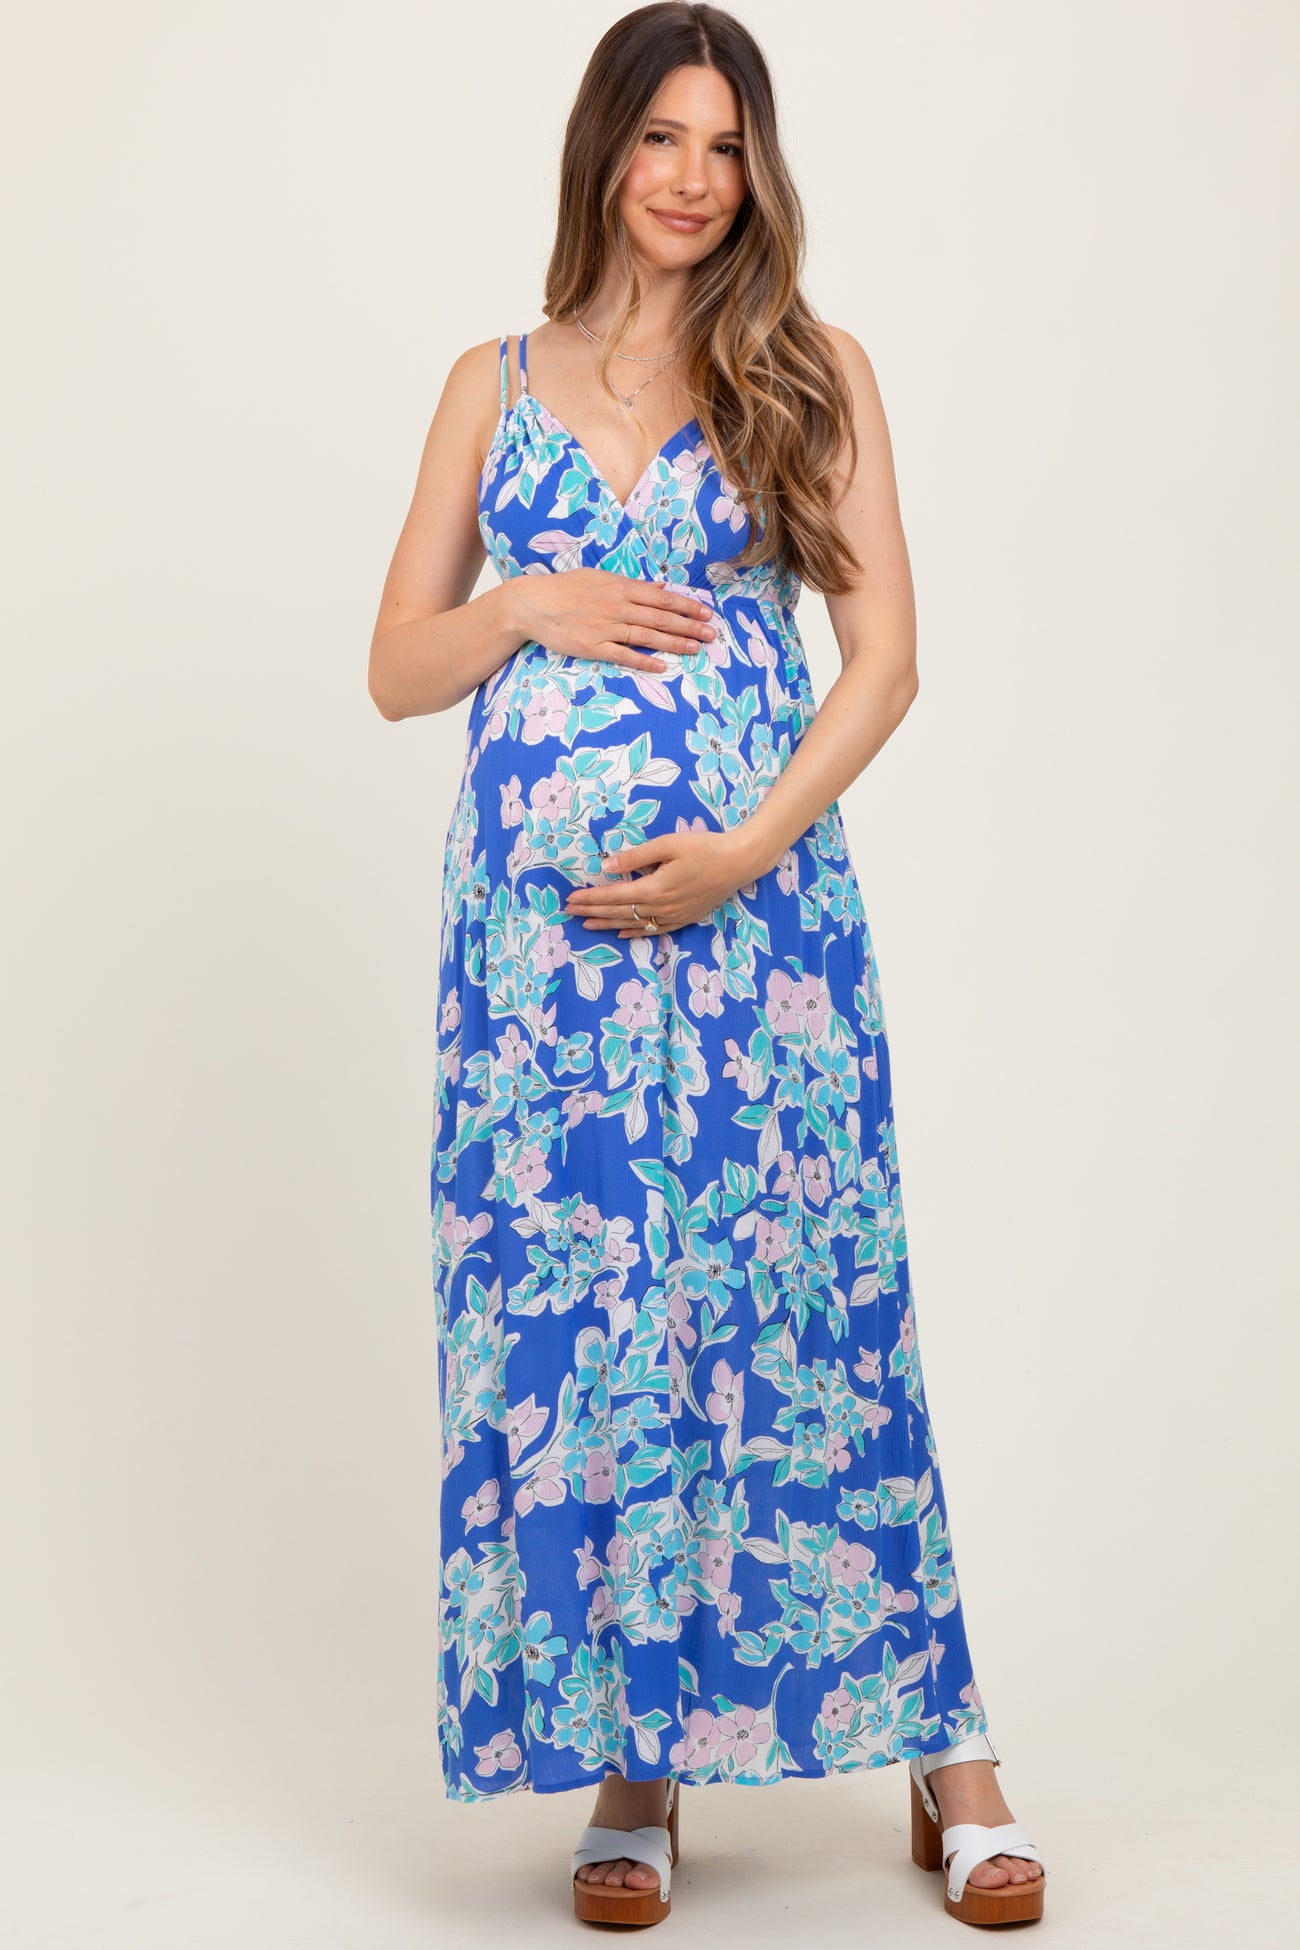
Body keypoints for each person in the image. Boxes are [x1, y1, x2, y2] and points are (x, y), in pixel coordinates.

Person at [369, 2, 1046, 1930]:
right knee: (589, 1334)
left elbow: (884, 660)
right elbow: (395, 668)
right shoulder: (491, 383)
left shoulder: (807, 368)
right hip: (541, 977)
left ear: (760, 173)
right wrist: (527, 603)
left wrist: (746, 848)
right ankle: (635, 1759)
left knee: (815, 1310)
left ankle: (953, 1753)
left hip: (760, 943)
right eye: (662, 137)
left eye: (727, 146)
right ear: (603, 152)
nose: (692, 178)